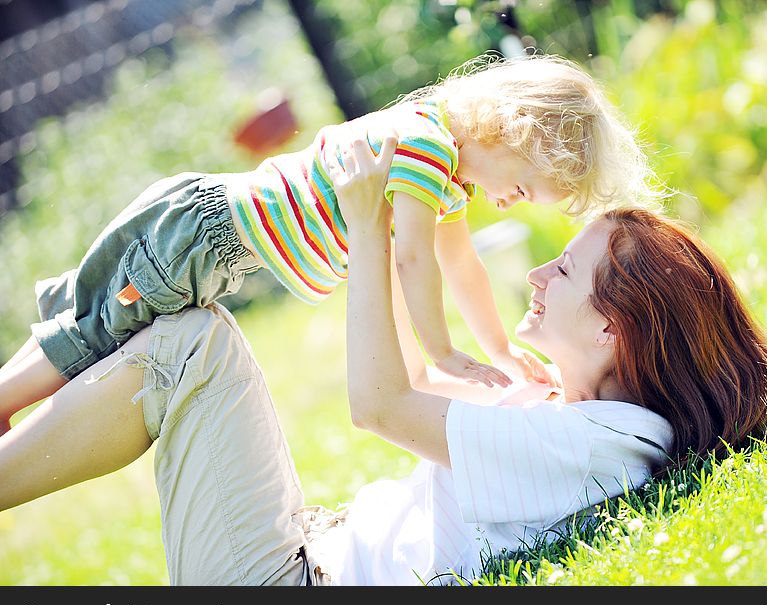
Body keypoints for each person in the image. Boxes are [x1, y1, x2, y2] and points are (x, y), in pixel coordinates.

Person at [0, 137, 767, 586]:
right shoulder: (571, 412)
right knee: (182, 339)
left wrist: (367, 226)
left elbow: (378, 406)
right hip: (308, 546)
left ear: (614, 329)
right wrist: (413, 213)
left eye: (564, 272)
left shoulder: (600, 448)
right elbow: (409, 378)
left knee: (191, 345)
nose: (539, 276)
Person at [0, 53, 658, 435]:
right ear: (511, 133)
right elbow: (412, 259)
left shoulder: (449, 175)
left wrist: (498, 351)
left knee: (89, 322)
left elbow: (462, 264)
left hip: (204, 244)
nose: (514, 203)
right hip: (197, 237)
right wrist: (443, 351)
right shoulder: (427, 146)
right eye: (524, 186)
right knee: (95, 334)